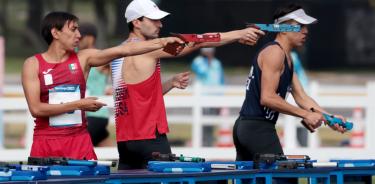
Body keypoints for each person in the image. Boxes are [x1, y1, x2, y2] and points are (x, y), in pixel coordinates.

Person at [113, 0, 264, 170]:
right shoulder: (150, 49)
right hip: (150, 139)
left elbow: (138, 97)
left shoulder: (117, 54)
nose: (160, 24)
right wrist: (238, 34)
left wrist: (170, 83)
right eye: (153, 20)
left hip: (125, 142)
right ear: (136, 22)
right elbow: (198, 41)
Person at [21, 11, 184, 160]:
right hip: (45, 142)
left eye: (79, 30)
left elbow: (124, 50)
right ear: (55, 33)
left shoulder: (84, 58)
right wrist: (78, 105)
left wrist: (162, 42)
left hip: (79, 143)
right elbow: (36, 109)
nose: (79, 35)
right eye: (73, 30)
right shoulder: (32, 64)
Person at [233, 2, 348, 168]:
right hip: (256, 128)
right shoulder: (275, 53)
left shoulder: (287, 57)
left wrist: (329, 118)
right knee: (285, 178)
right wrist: (304, 115)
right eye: (300, 27)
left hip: (251, 127)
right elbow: (268, 97)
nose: (306, 31)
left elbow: (302, 97)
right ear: (284, 29)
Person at [79, 23, 113, 147]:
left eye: (81, 37)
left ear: (90, 38)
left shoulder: (100, 57)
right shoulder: (74, 56)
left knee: (78, 149)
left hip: (96, 114)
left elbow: (124, 67)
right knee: (107, 150)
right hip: (80, 113)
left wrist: (117, 88)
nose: (78, 39)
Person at [191, 47, 225, 146]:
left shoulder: (217, 63)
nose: (209, 53)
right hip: (203, 97)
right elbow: (201, 72)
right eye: (207, 52)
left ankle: (209, 143)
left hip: (215, 97)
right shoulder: (198, 61)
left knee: (211, 121)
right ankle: (202, 142)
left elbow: (221, 80)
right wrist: (207, 61)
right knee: (202, 122)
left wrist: (221, 98)